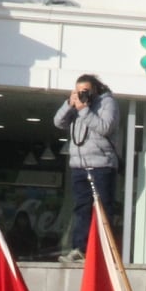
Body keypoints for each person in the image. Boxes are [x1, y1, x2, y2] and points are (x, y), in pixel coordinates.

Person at [52, 75, 120, 264]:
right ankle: (80, 248)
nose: (82, 95)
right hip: (79, 165)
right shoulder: (76, 106)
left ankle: (104, 249)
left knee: (103, 209)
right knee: (81, 209)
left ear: (95, 89)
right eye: (79, 91)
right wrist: (69, 103)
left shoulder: (108, 103)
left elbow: (105, 127)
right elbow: (58, 122)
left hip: (101, 165)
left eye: (85, 91)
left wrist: (84, 110)